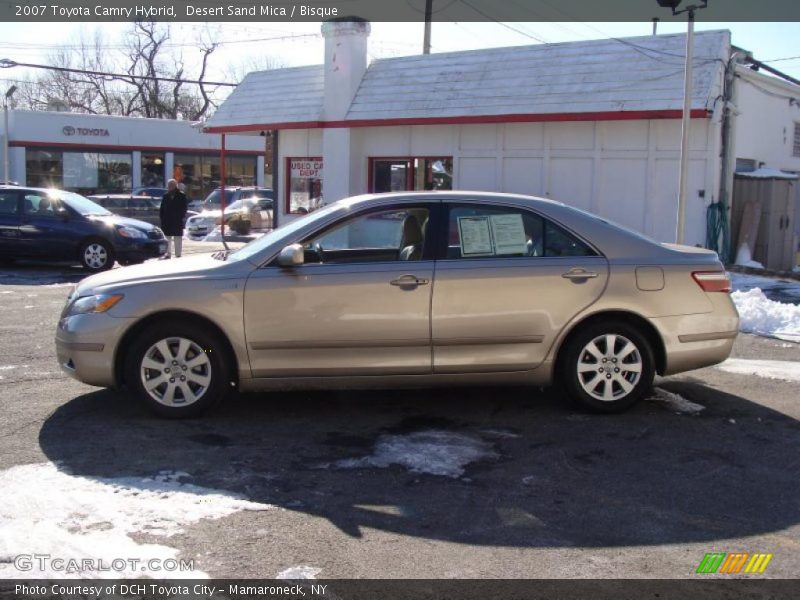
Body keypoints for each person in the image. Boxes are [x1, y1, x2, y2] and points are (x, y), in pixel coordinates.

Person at [159, 179, 188, 259]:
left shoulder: (181, 195)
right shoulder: (166, 196)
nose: (169, 187)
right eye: (169, 185)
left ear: (175, 186)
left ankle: (178, 254)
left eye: (171, 185)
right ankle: (168, 254)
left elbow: (184, 208)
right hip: (167, 221)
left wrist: (181, 216)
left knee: (177, 238)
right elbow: (162, 208)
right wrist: (162, 218)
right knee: (167, 238)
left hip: (177, 220)